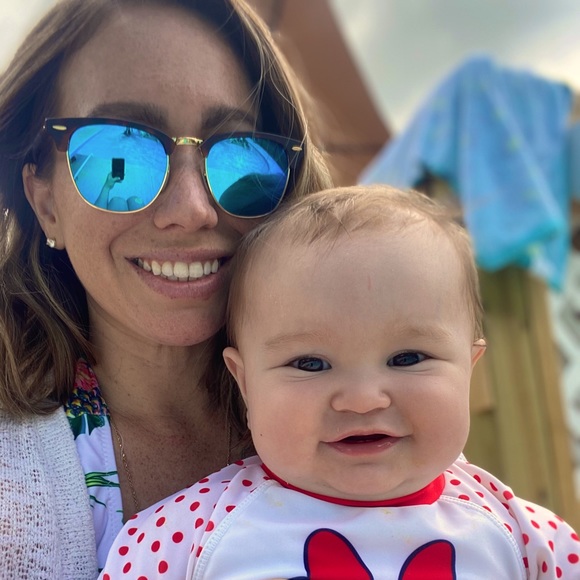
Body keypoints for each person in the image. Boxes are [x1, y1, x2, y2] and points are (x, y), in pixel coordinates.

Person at [0, 0, 331, 577]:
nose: (192, 208)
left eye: (239, 156)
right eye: (120, 156)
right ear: (45, 201)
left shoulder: (368, 401)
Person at [100, 186, 579, 579]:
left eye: (407, 358)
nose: (363, 399)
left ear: (469, 369)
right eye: (310, 363)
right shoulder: (188, 534)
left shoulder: (521, 536)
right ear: (245, 383)